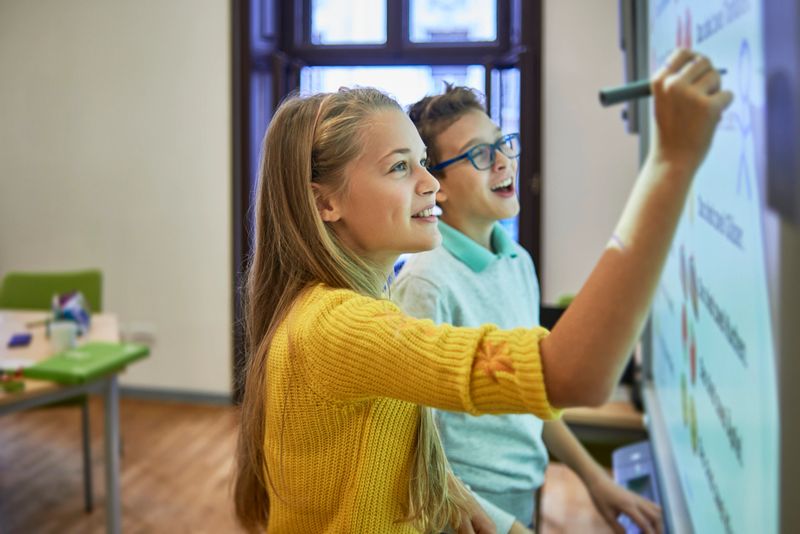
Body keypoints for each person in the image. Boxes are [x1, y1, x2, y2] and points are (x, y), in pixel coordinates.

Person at [233, 48, 731, 533]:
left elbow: (387, 454)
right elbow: (574, 374)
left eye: (423, 161)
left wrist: (461, 497)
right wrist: (671, 163)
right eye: (399, 167)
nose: (431, 184)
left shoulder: (350, 308)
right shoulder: (342, 324)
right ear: (325, 204)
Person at [394, 84, 661, 534]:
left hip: (522, 498)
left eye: (502, 143)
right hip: (462, 515)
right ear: (435, 186)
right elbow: (415, 455)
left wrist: (595, 480)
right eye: (479, 153)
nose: (502, 161)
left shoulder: (517, 260)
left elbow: (533, 393)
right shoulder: (425, 283)